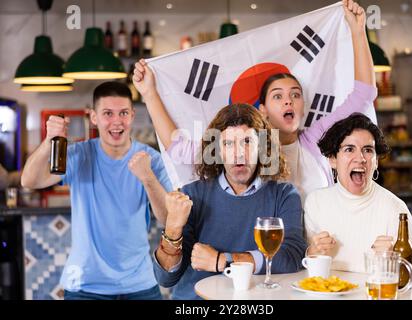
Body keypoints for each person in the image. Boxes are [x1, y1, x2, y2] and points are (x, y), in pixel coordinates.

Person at [132, 0, 377, 204]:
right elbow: (180, 149)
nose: (288, 101)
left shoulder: (318, 138)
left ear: (304, 105)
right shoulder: (245, 148)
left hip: (320, 255)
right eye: (277, 96)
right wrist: (150, 94)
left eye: (295, 94)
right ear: (263, 110)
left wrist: (357, 32)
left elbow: (363, 95)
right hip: (268, 255)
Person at [21, 82, 172, 300]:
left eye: (123, 113)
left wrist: (148, 178)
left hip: (140, 284)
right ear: (94, 117)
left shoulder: (151, 159)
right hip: (85, 286)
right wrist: (49, 141)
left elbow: (168, 219)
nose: (117, 121)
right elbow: (29, 180)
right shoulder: (78, 155)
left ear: (132, 115)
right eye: (108, 113)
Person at [152, 103, 307, 300]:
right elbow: (165, 278)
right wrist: (173, 227)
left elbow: (293, 256)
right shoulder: (192, 194)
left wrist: (221, 261)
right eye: (228, 144)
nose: (238, 153)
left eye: (247, 142)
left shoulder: (284, 195)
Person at [304, 113, 412, 287]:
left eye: (368, 150)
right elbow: (304, 274)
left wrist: (395, 264)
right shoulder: (315, 202)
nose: (360, 158)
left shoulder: (396, 209)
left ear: (376, 161)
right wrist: (311, 253)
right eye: (349, 149)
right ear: (332, 159)